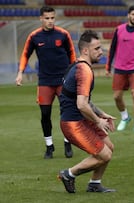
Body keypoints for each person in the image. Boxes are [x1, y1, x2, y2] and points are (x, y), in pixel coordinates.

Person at [57, 30, 116, 193]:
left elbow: (84, 101)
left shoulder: (78, 66)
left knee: (109, 147)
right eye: (97, 48)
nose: (101, 51)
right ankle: (68, 174)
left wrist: (101, 113)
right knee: (105, 155)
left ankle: (95, 184)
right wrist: (98, 121)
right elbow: (82, 105)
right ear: (85, 50)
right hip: (73, 123)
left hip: (81, 119)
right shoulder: (85, 70)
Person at [15, 6, 76, 159]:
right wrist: (20, 73)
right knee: (45, 113)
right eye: (47, 18)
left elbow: (72, 55)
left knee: (66, 112)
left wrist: (75, 73)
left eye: (52, 18)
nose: (50, 21)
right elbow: (25, 55)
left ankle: (67, 142)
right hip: (45, 81)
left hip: (63, 80)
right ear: (41, 19)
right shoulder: (34, 36)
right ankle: (49, 146)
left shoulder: (63, 34)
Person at [105, 5, 134, 134]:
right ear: (128, 15)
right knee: (117, 97)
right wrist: (108, 67)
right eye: (133, 14)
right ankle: (125, 117)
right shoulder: (119, 30)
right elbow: (112, 49)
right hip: (120, 67)